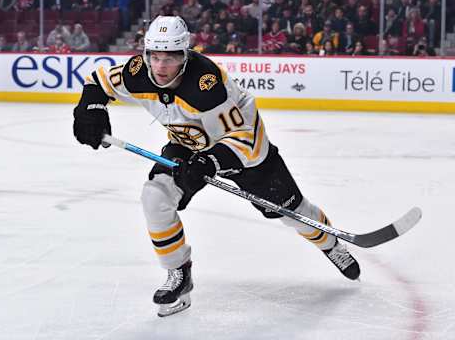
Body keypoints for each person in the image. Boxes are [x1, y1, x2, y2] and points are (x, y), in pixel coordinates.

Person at [72, 16, 360, 317]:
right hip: (187, 144)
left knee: (294, 212)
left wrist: (210, 161)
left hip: (245, 154)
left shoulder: (207, 86)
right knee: (155, 197)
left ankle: (331, 244)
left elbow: (245, 137)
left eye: (169, 59)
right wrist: (89, 111)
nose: (159, 68)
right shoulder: (138, 72)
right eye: (154, 57)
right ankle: (179, 275)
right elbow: (99, 82)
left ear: (184, 56)